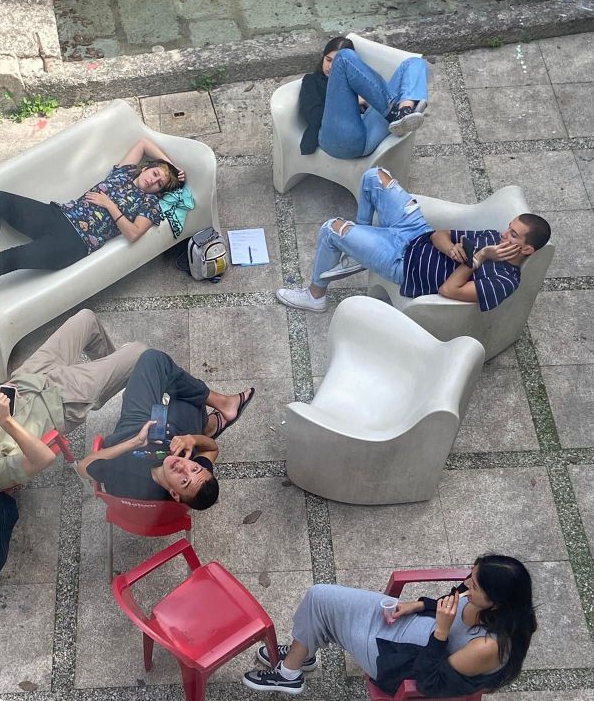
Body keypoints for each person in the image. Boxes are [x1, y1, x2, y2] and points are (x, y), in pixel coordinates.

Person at [0, 310, 145, 491]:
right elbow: (43, 459)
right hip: (63, 400)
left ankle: (117, 372)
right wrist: (5, 421)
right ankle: (119, 371)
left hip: (30, 375)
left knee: (86, 319)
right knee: (139, 352)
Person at [243, 554, 536, 697]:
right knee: (319, 596)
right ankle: (302, 653)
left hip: (397, 660)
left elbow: (430, 682)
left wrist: (442, 631)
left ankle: (290, 672)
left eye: (475, 585)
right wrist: (417, 605)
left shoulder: (487, 648)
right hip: (407, 625)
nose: (466, 583)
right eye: (471, 574)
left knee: (322, 608)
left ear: (496, 603)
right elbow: (447, 603)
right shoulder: (480, 598)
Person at [276, 167, 551, 313]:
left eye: (513, 235)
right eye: (508, 228)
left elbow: (449, 290)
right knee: (374, 177)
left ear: (527, 249)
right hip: (417, 232)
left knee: (332, 228)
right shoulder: (492, 236)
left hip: (404, 264)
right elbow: (439, 234)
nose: (504, 235)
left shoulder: (504, 282)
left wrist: (478, 258)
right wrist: (451, 249)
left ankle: (315, 296)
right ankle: (360, 243)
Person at [0, 137, 184, 290]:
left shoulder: (148, 204)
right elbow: (143, 143)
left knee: (12, 258)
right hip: (57, 215)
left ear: (158, 192)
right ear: (146, 168)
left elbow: (134, 233)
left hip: (74, 243)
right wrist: (172, 167)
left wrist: (110, 205)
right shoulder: (124, 172)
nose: (153, 181)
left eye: (159, 184)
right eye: (155, 173)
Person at [76, 349, 255, 511]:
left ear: (174, 494)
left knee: (153, 360)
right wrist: (193, 439)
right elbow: (212, 449)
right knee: (191, 397)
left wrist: (135, 442)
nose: (183, 467)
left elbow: (83, 467)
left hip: (132, 433)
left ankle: (218, 410)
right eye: (195, 468)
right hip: (169, 439)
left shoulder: (127, 478)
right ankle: (208, 425)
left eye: (184, 481)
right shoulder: (200, 482)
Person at [297, 36, 429, 160]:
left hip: (369, 131)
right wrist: (353, 102)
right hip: (338, 138)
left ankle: (404, 111)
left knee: (414, 63)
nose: (331, 67)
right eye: (328, 60)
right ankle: (393, 113)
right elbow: (314, 117)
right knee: (344, 56)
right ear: (323, 58)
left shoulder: (357, 78)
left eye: (335, 63)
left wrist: (368, 100)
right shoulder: (311, 81)